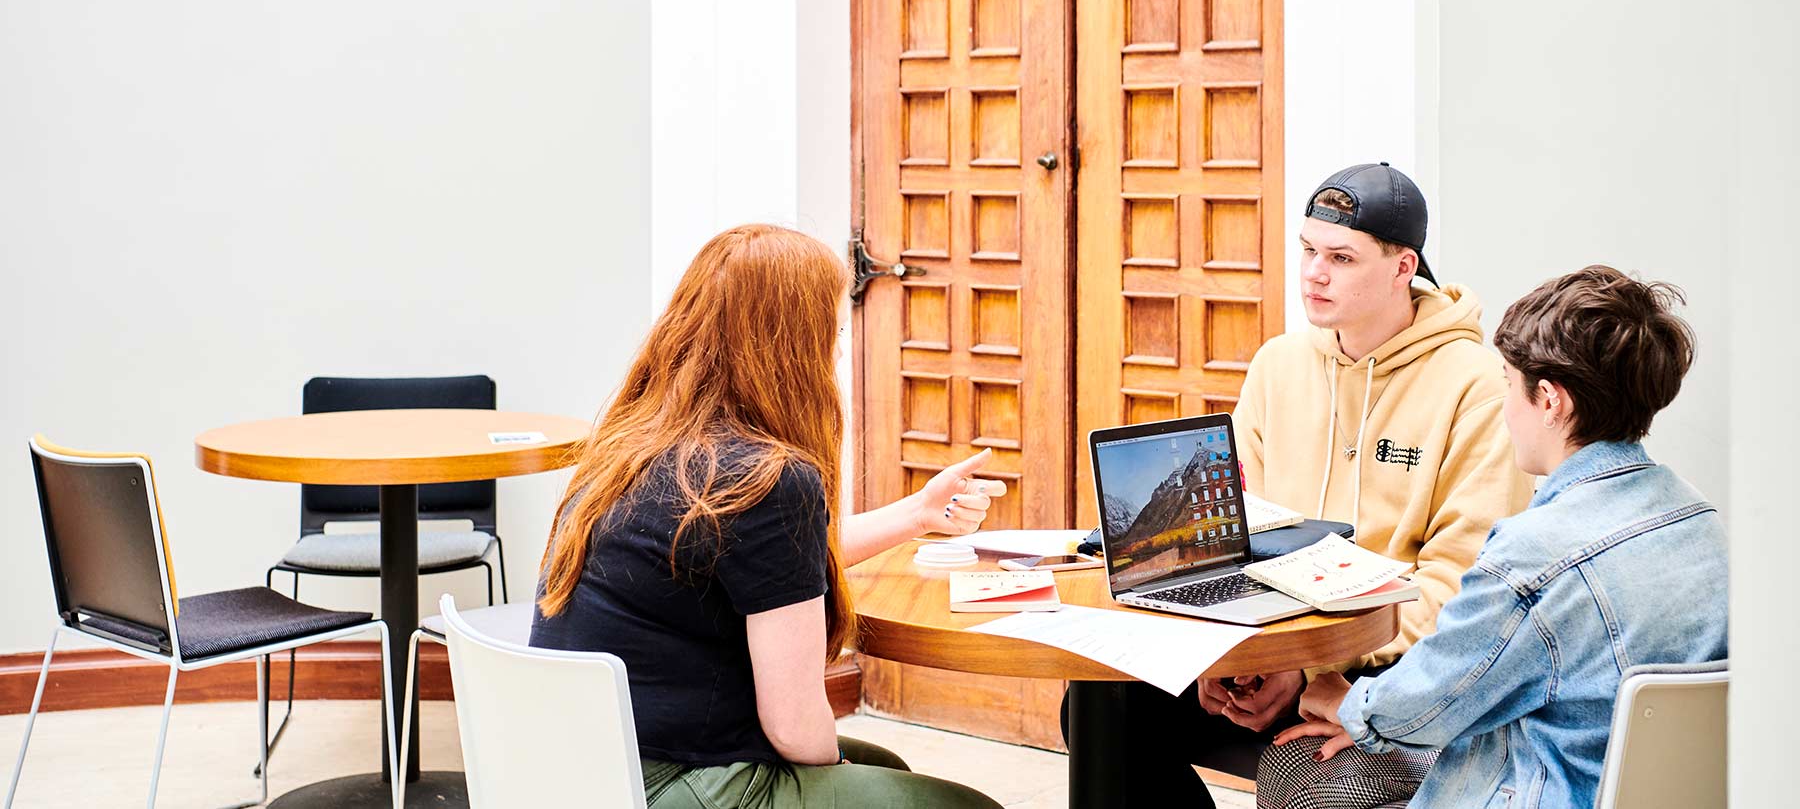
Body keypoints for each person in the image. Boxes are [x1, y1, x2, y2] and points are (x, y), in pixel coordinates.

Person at [1084, 164, 1533, 804]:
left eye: (1341, 258)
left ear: (1404, 267)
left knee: (1312, 784)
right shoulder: (1280, 364)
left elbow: (1460, 584)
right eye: (1308, 251)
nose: (1314, 274)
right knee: (1103, 709)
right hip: (1275, 644)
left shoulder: (1477, 386)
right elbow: (1237, 534)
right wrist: (1237, 660)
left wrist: (1308, 667)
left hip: (1386, 667)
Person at [530, 224, 1005, 809]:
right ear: (791, 347)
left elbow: (775, 568)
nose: (834, 351)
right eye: (829, 332)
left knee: (891, 768)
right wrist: (838, 768)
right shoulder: (765, 478)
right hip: (669, 782)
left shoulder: (636, 447)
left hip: (582, 767)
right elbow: (794, 723)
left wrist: (918, 513)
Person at [1261, 266, 1727, 809]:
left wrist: (1349, 703)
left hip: (1539, 788)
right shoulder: (1701, 521)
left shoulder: (1534, 556)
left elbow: (1430, 700)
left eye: (1509, 384)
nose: (1505, 408)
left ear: (1550, 401)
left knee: (1294, 772)